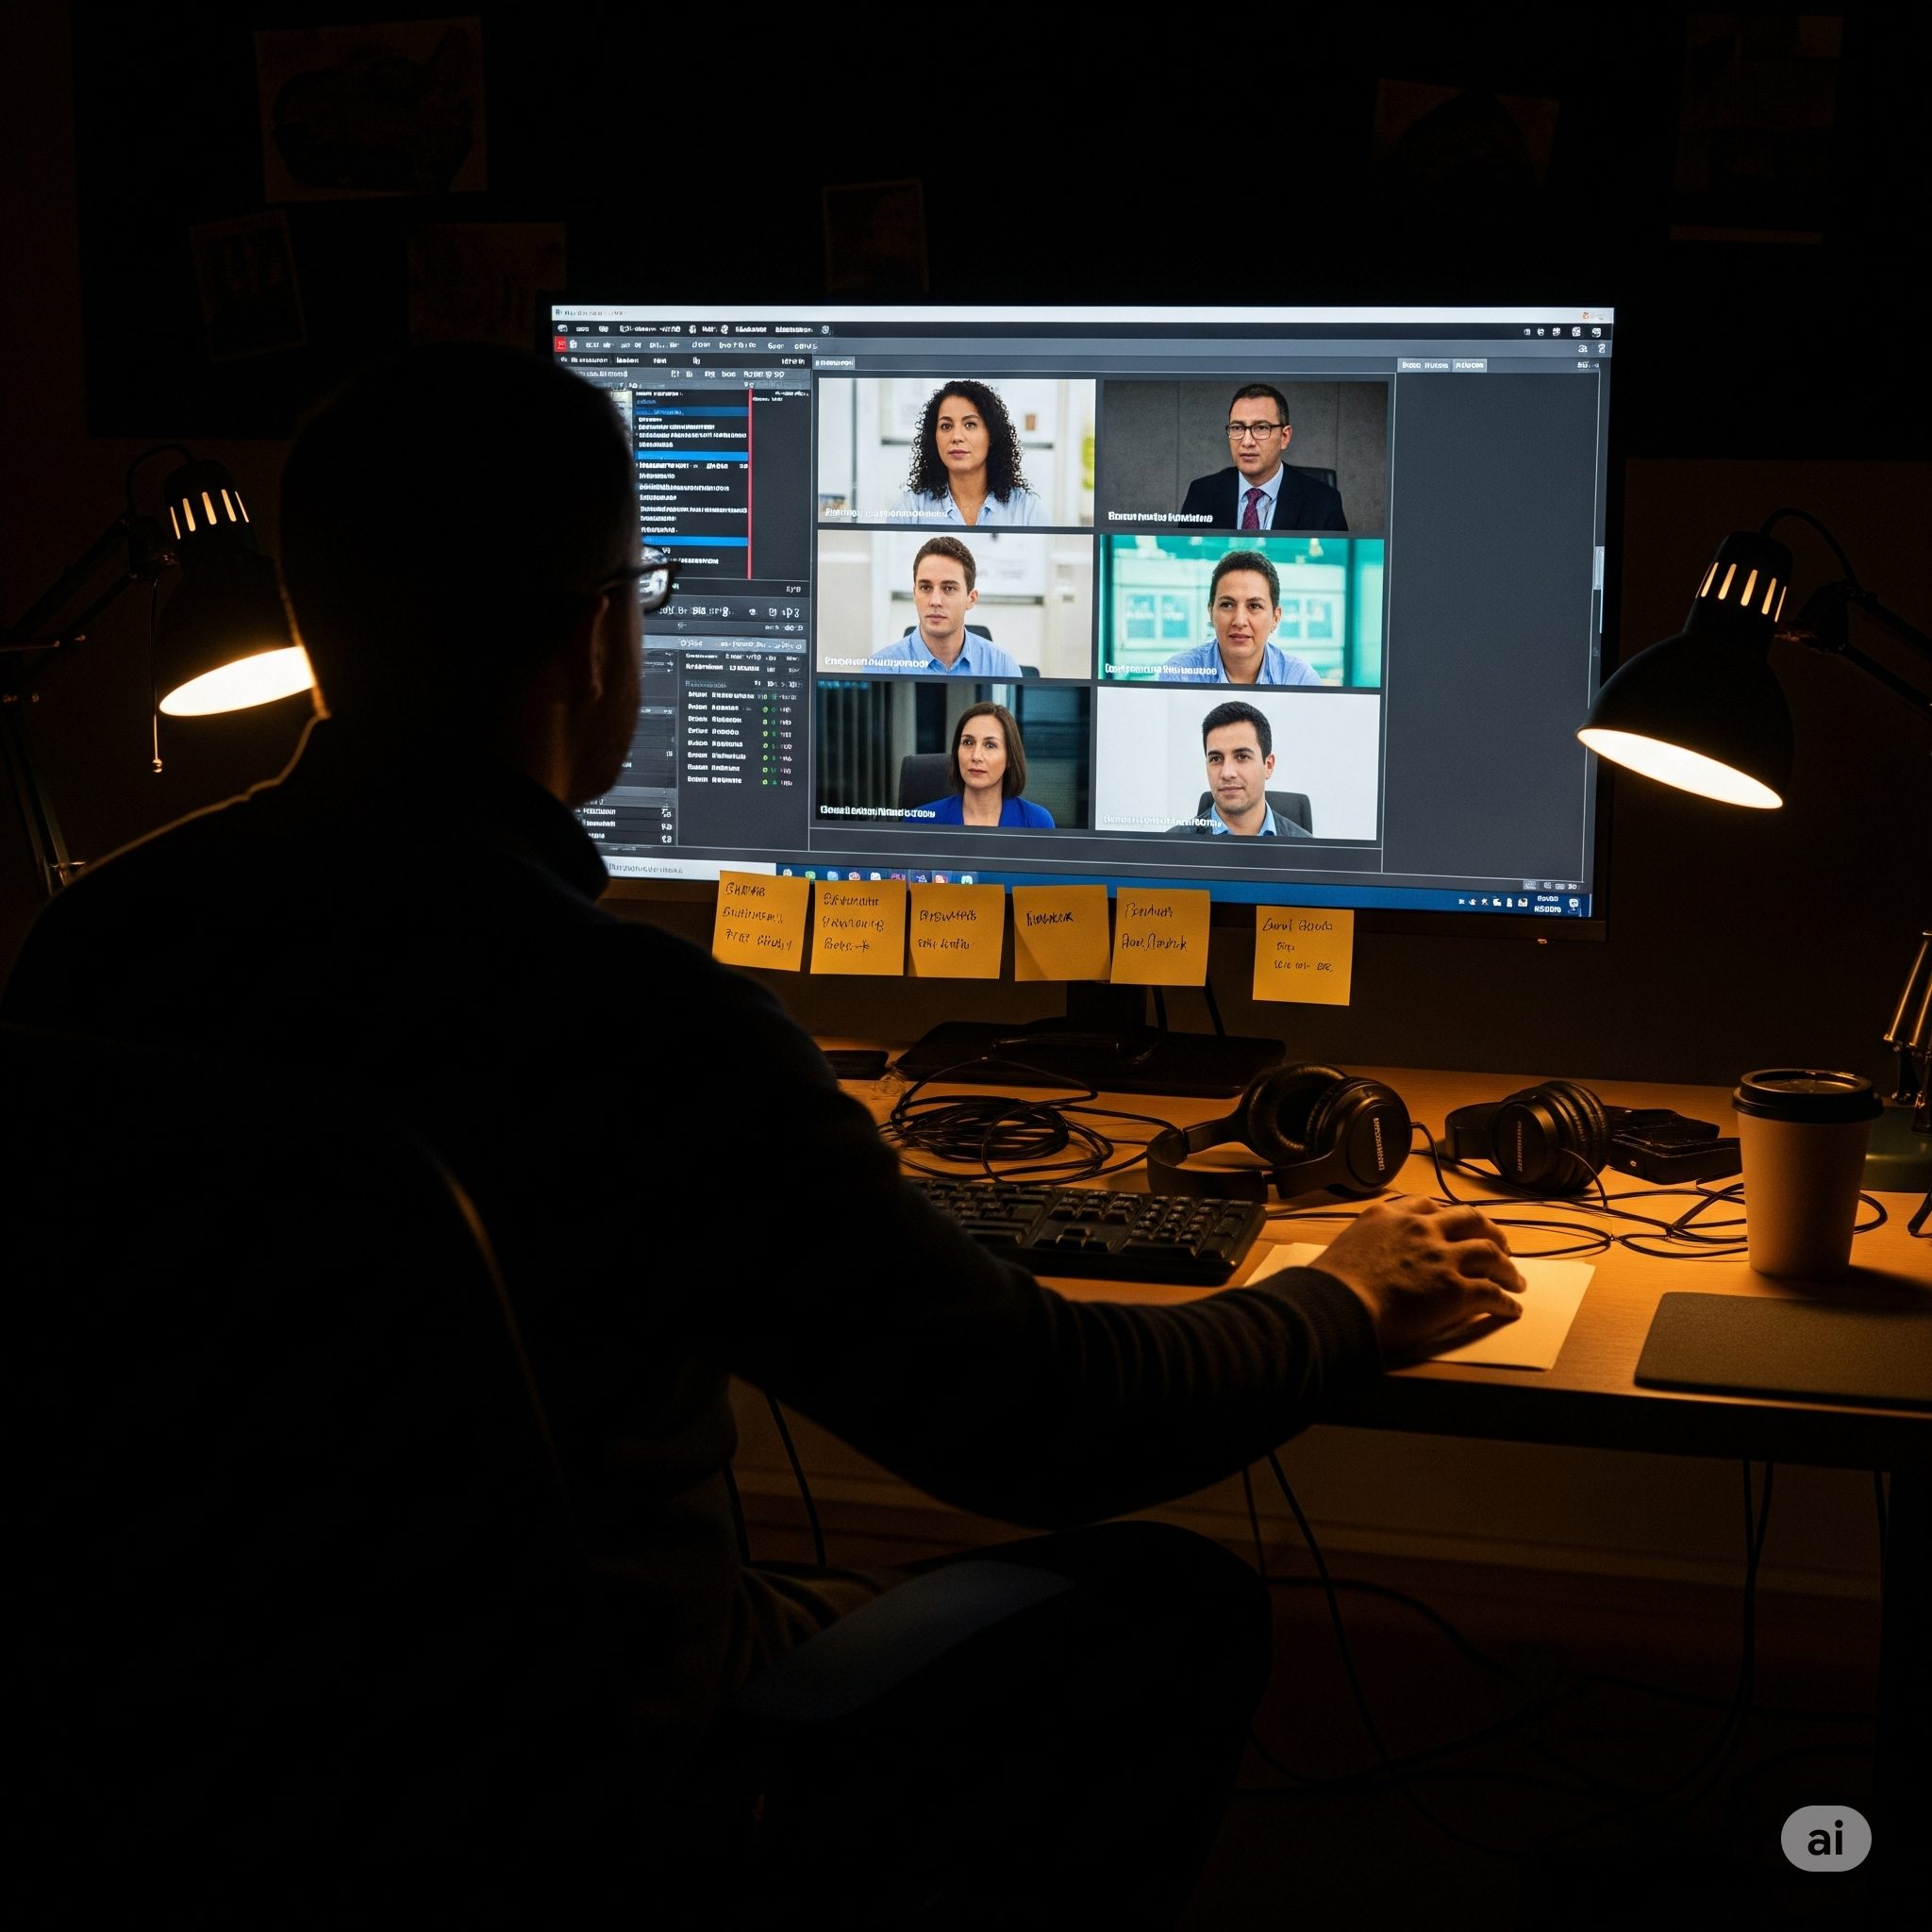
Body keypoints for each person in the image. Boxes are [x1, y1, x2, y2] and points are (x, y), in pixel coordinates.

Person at [1, 344, 1520, 1911]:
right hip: (595, 1764)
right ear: (594, 634)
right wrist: (1344, 1295)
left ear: (318, 626)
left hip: (199, 1747)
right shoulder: (637, 1023)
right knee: (1177, 1603)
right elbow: (1042, 1421)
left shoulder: (94, 945)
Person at [1180, 382, 1348, 531]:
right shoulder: (1201, 493)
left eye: (1261, 428)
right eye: (1238, 428)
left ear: (1284, 437)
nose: (1247, 442)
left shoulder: (1324, 502)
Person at [889, 378, 1047, 526]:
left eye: (970, 424)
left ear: (991, 435)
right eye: (946, 426)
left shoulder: (1028, 510)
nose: (956, 437)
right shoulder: (908, 509)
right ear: (934, 437)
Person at [1158, 548, 1324, 687]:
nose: (1239, 621)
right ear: (1210, 611)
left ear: (1275, 617)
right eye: (1227, 605)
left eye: (1254, 606)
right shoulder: (1179, 674)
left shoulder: (1300, 679)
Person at [865, 535, 1024, 675]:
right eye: (925, 588)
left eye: (949, 588)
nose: (935, 601)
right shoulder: (880, 668)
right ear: (914, 593)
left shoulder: (1002, 666)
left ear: (971, 599)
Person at [1168, 698, 1311, 837]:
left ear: (1268, 766)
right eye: (1216, 759)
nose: (1227, 773)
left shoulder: (1307, 849)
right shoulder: (1172, 846)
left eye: (1242, 757)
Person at [914, 701, 1056, 828]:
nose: (976, 756)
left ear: (1010, 758)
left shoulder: (1037, 822)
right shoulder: (919, 820)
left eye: (990, 745)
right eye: (968, 742)